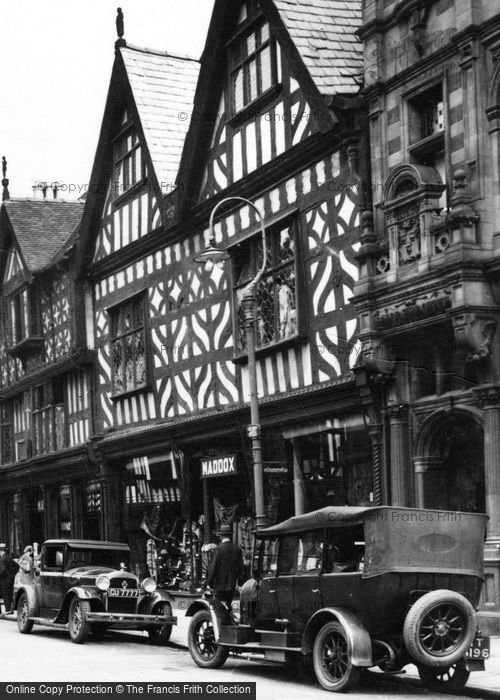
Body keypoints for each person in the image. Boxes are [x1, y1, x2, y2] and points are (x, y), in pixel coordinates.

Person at [206, 524, 244, 607]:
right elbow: (241, 568)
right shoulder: (237, 549)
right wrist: (240, 583)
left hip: (220, 585)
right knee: (228, 605)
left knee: (217, 607)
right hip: (232, 585)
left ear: (221, 536)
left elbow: (213, 567)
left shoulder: (218, 549)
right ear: (230, 535)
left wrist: (210, 583)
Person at [0, 543, 19, 614]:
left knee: (5, 594)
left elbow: (3, 570)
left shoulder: (2, 558)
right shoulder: (9, 557)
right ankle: (11, 609)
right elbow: (17, 566)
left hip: (4, 580)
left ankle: (8, 610)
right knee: (10, 594)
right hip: (11, 579)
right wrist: (12, 575)